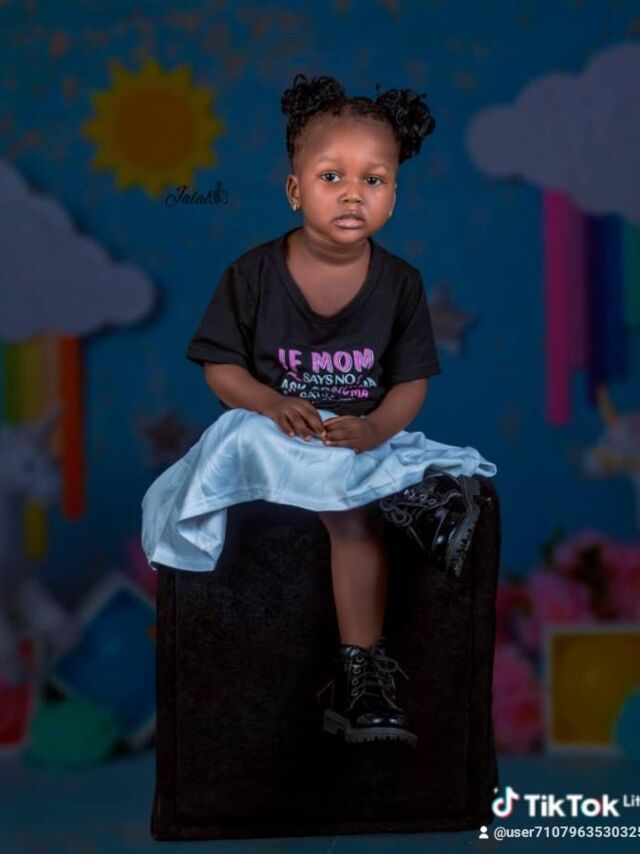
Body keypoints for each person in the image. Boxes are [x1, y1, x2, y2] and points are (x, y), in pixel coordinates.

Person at [142, 73, 497, 747]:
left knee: (361, 503)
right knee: (250, 436)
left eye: (374, 179)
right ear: (295, 190)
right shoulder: (252, 275)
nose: (353, 193)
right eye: (332, 177)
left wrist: (375, 427)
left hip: (350, 436)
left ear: (394, 196)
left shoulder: (400, 284)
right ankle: (406, 503)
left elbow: (408, 386)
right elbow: (222, 369)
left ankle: (360, 676)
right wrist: (272, 402)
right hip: (274, 429)